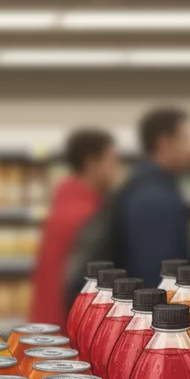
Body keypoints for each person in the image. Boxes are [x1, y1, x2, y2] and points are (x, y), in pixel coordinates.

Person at [31, 127, 118, 327]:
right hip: (67, 327)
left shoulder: (63, 203)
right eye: (111, 161)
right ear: (92, 163)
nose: (116, 169)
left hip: (46, 323)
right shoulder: (87, 215)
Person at [112, 107, 190, 287]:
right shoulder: (153, 197)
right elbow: (156, 274)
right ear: (164, 142)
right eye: (186, 139)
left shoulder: (151, 185)